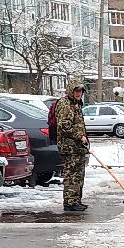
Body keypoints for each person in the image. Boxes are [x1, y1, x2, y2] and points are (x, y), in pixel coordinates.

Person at [51, 80, 89, 213]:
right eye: (76, 91)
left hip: (78, 147)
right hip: (69, 147)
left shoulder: (76, 104)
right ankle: (70, 202)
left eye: (81, 91)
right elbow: (64, 124)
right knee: (71, 174)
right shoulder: (65, 104)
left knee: (79, 174)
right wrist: (80, 136)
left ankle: (76, 200)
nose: (79, 94)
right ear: (71, 91)